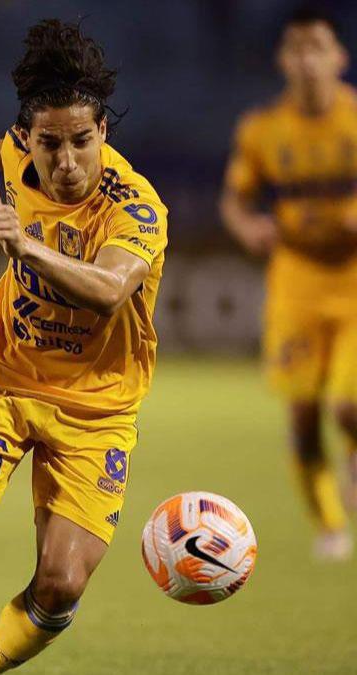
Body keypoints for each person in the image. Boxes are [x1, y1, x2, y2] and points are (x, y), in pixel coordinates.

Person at [0, 19, 168, 674]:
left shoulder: (136, 207)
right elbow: (6, 152)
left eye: (81, 140)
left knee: (63, 581)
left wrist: (26, 246)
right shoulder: (24, 152)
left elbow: (106, 289)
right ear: (31, 138)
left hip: (95, 411)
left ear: (103, 131)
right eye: (50, 144)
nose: (66, 161)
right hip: (4, 378)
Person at [220, 6, 357, 561]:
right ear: (282, 60)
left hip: (353, 282)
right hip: (295, 282)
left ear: (339, 58)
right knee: (302, 417)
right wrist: (247, 225)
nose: (306, 60)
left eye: (316, 48)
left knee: (348, 406)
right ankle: (329, 524)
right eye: (296, 49)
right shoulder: (262, 130)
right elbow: (234, 199)